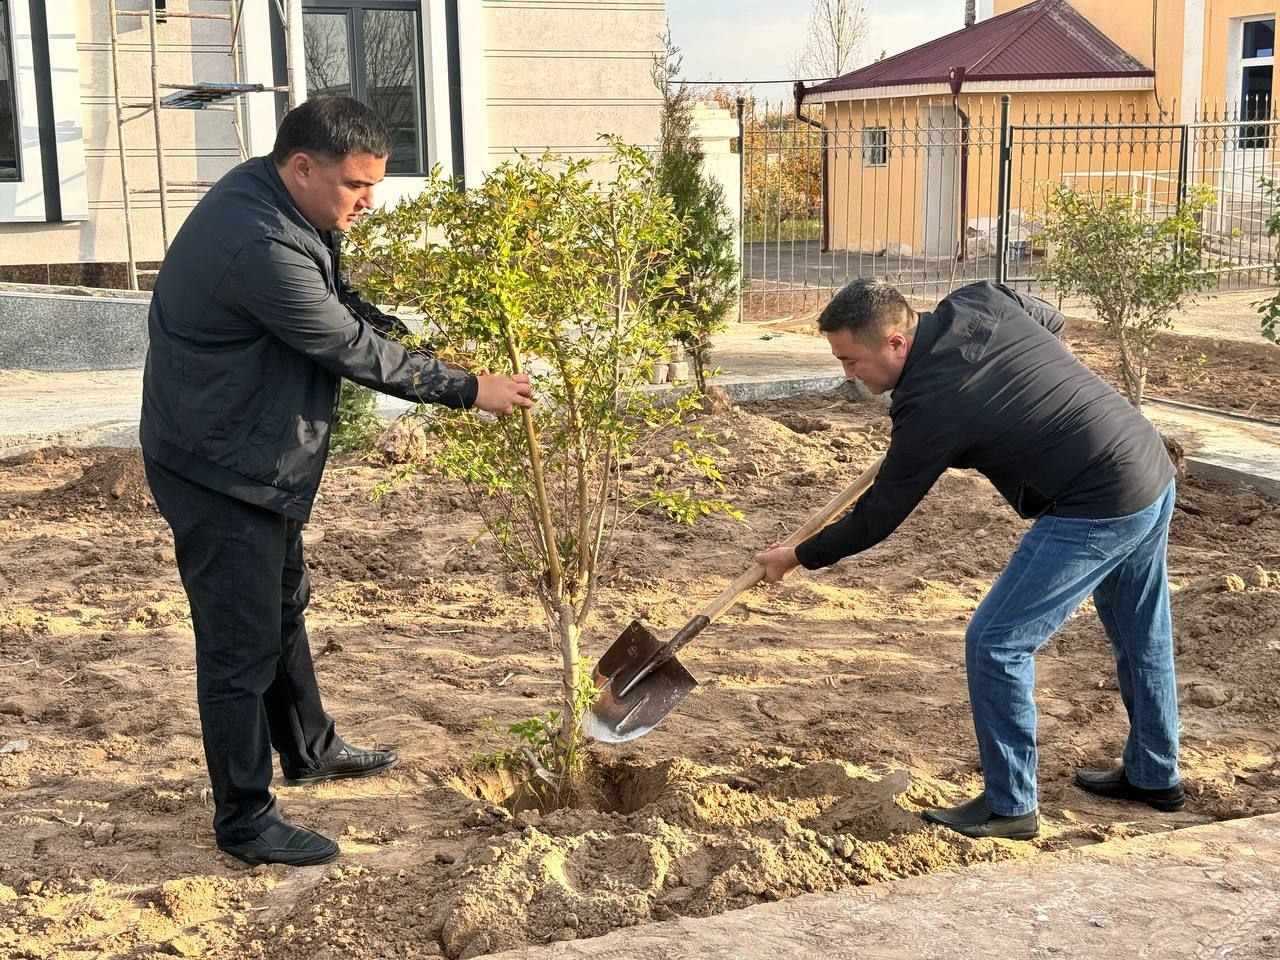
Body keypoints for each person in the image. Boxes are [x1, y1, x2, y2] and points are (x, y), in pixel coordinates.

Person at [140, 97, 534, 867]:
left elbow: (342, 303)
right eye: (357, 186)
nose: (368, 202)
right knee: (237, 646)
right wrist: (466, 387)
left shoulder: (288, 207)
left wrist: (411, 334)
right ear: (303, 167)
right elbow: (341, 344)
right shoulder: (257, 241)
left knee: (282, 604)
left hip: (249, 451)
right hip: (218, 466)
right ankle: (245, 820)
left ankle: (310, 748)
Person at [754, 279, 1182, 841]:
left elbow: (878, 517)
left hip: (1096, 501)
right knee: (1139, 630)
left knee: (996, 642)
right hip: (1145, 464)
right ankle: (1155, 775)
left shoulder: (930, 405)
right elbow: (1051, 321)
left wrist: (797, 555)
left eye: (852, 360)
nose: (847, 375)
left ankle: (1011, 806)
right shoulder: (980, 300)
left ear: (896, 342)